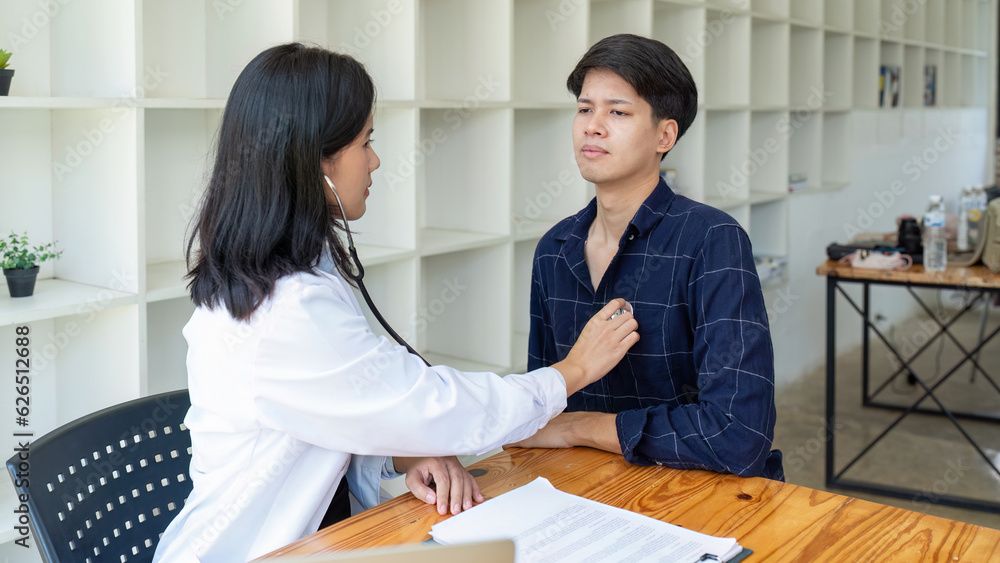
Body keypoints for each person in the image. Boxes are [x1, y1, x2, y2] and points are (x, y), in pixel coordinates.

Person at [152, 43, 639, 563]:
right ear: (315, 161)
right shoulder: (285, 312)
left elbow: (320, 423)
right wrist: (571, 372)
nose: (375, 160)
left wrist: (406, 453)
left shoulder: (284, 276)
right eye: (366, 142)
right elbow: (433, 404)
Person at [512, 34, 783, 480]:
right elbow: (543, 406)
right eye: (585, 109)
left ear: (664, 134)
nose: (592, 126)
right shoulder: (554, 250)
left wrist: (583, 427)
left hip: (693, 491)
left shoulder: (711, 240)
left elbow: (739, 436)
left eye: (617, 112)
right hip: (580, 487)